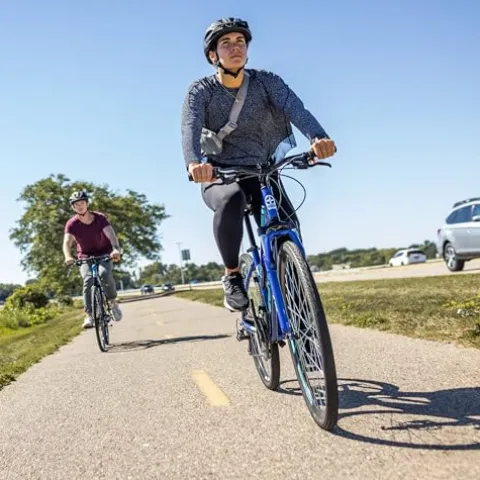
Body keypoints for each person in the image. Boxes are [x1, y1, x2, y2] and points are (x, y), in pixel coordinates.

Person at [181, 17, 337, 312]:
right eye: (226, 43)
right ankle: (232, 275)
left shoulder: (267, 82)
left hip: (263, 172)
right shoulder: (200, 91)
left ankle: (299, 305)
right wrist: (194, 163)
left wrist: (318, 137)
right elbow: (190, 127)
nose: (235, 47)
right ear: (213, 55)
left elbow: (296, 109)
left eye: (240, 41)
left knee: (286, 228)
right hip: (221, 174)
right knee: (231, 200)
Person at [63, 190, 123, 328]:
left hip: (104, 253)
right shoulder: (72, 223)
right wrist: (68, 256)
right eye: (76, 204)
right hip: (85, 256)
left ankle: (113, 302)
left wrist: (115, 249)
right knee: (88, 280)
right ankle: (89, 315)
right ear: (73, 207)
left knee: (104, 274)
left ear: (87, 203)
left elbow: (111, 235)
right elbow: (67, 242)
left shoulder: (99, 218)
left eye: (82, 203)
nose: (80, 206)